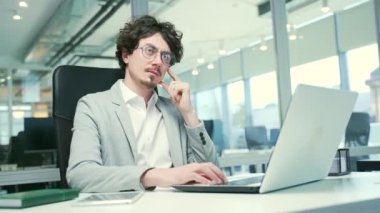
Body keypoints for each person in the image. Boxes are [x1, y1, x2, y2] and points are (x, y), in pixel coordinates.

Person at [66, 15, 227, 192]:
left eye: (165, 56)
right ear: (126, 55)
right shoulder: (93, 106)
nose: (158, 61)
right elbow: (80, 175)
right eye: (149, 51)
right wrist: (158, 176)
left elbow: (212, 171)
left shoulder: (174, 110)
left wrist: (189, 114)